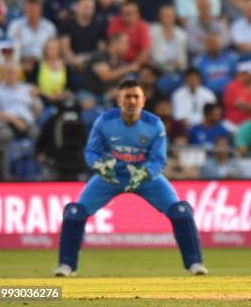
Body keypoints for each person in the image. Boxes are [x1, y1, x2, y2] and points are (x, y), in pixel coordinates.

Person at [53, 79, 207, 277]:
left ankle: (195, 265)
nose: (132, 101)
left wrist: (145, 174)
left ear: (143, 100)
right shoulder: (105, 121)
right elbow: (91, 152)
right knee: (75, 212)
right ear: (119, 100)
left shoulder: (154, 125)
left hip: (145, 177)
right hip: (112, 177)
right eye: (127, 96)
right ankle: (66, 266)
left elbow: (158, 160)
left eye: (136, 97)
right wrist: (99, 167)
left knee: (181, 211)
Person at [7, 0, 57, 72]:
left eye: (34, 9)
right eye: (29, 9)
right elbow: (9, 47)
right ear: (25, 10)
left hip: (44, 63)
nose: (31, 12)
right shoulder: (15, 26)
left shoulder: (49, 27)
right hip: (21, 63)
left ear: (40, 10)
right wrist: (23, 62)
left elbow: (55, 48)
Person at [59, 0, 107, 71]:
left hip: (92, 62)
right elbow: (65, 49)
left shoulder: (99, 25)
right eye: (85, 7)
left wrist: (88, 59)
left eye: (91, 8)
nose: (88, 11)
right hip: (71, 62)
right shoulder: (67, 24)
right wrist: (75, 61)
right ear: (77, 7)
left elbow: (101, 49)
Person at [222, 59, 251, 127]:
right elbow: (243, 107)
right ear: (242, 73)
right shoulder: (231, 87)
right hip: (233, 124)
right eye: (250, 74)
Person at [106, 1, 152, 65]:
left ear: (138, 14)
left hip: (137, 62)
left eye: (133, 13)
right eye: (127, 14)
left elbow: (145, 50)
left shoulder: (143, 26)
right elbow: (111, 47)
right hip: (118, 61)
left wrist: (135, 65)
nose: (130, 16)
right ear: (121, 15)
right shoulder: (114, 23)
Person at [149, 5, 188, 74]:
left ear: (174, 17)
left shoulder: (182, 34)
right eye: (164, 16)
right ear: (159, 17)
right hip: (155, 69)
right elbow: (151, 56)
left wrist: (179, 64)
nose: (167, 18)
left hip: (175, 69)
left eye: (169, 16)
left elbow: (182, 60)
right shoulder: (152, 31)